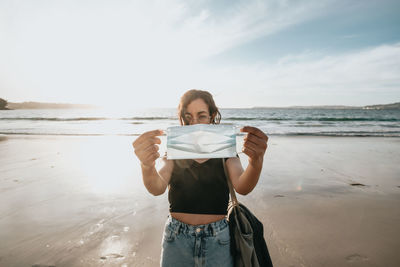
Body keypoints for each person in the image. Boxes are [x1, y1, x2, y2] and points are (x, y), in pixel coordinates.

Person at [132, 89, 268, 267]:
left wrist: (256, 162)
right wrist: (146, 166)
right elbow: (156, 187)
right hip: (176, 239)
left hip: (218, 240)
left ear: (212, 116)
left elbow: (243, 186)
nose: (194, 122)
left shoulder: (225, 151)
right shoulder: (174, 151)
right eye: (188, 117)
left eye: (201, 116)